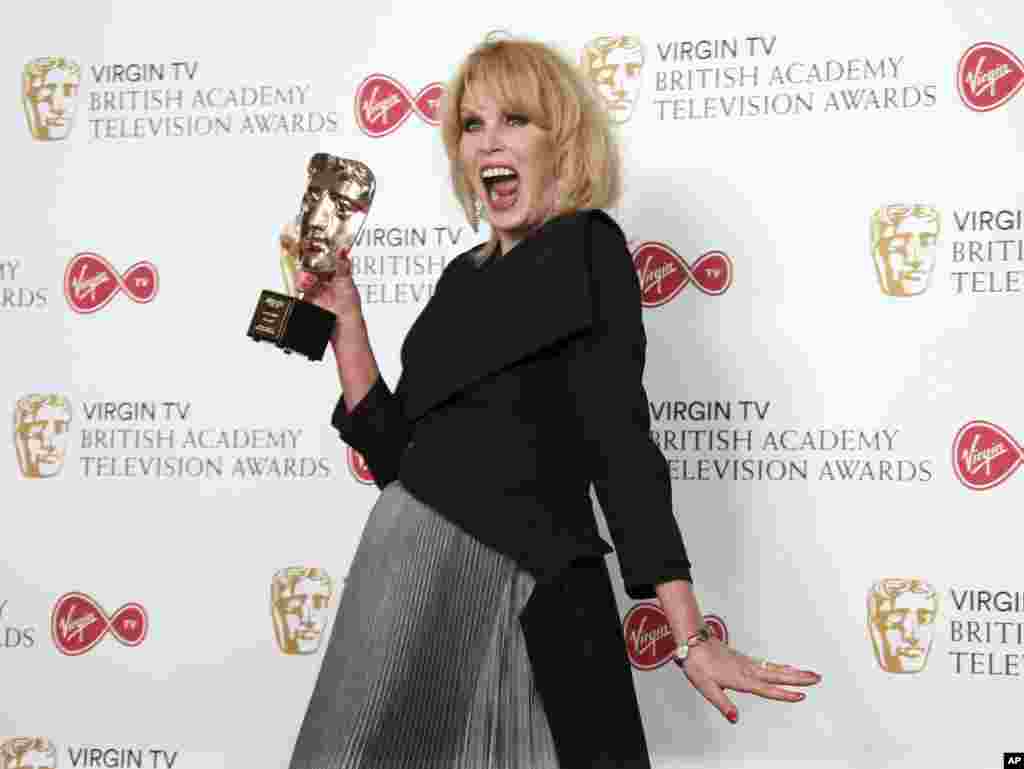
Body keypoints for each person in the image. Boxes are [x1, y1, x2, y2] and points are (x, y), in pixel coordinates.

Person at [287, 35, 821, 769]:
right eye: (471, 126)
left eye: (515, 121)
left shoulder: (586, 248)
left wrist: (690, 634)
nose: (488, 143)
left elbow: (621, 446)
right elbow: (394, 454)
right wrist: (346, 317)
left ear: (562, 143)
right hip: (403, 586)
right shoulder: (458, 280)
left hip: (518, 583)